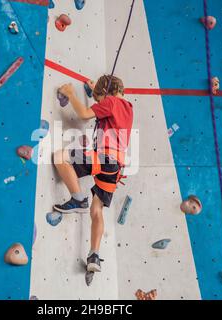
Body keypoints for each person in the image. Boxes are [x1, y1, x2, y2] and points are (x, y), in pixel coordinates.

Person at [53, 75, 134, 272]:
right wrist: (95, 90)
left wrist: (71, 94)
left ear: (107, 93)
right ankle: (94, 255)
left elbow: (84, 114)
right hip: (115, 168)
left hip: (104, 158)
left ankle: (78, 199)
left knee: (59, 157)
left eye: (100, 99)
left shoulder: (111, 101)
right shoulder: (128, 108)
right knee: (96, 210)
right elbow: (104, 111)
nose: (100, 103)